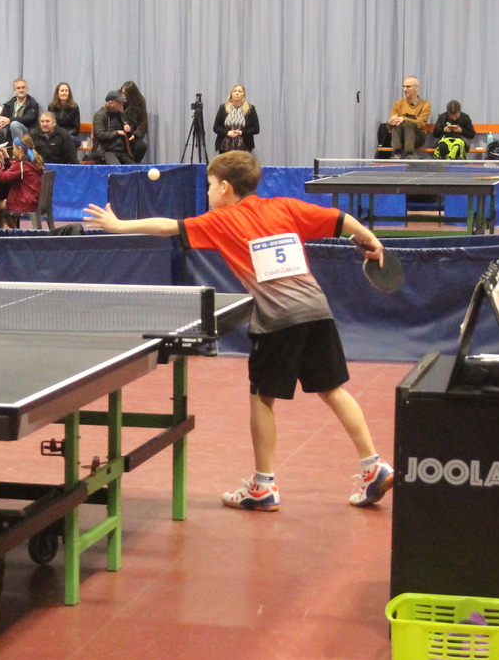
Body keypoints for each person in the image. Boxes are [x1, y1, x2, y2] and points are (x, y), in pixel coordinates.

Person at [84, 151, 396, 511]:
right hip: (317, 310)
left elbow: (168, 227)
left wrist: (118, 225)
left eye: (210, 185)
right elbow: (342, 220)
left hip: (277, 319)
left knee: (262, 397)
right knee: (333, 389)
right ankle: (373, 466)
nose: (207, 193)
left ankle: (263, 486)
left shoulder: (221, 220)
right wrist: (371, 241)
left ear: (225, 187)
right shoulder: (285, 207)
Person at [0, 135, 44, 223]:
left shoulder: (21, 164)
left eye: (14, 148)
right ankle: (11, 229)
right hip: (31, 200)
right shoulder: (30, 162)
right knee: (3, 204)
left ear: (19, 149)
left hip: (23, 202)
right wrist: (7, 159)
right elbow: (14, 171)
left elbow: (1, 177)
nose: (12, 151)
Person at [379, 77, 431, 158]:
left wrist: (404, 119)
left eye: (408, 87)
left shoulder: (425, 105)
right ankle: (397, 153)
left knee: (407, 123)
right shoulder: (397, 103)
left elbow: (420, 123)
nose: (405, 89)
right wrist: (389, 122)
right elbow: (391, 125)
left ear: (416, 88)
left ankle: (409, 154)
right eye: (404, 86)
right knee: (397, 124)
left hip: (417, 137)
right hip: (400, 136)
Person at [94, 90, 143, 166]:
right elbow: (101, 135)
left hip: (121, 151)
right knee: (117, 168)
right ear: (111, 103)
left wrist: (129, 129)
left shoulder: (121, 115)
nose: (122, 104)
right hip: (106, 151)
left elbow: (129, 133)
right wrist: (117, 132)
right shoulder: (100, 115)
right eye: (119, 102)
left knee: (133, 169)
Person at [212, 84, 260, 154]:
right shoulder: (223, 108)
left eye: (240, 91)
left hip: (244, 148)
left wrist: (241, 132)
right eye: (234, 91)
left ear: (243, 95)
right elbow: (216, 127)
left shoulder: (250, 109)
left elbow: (256, 129)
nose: (237, 93)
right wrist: (227, 132)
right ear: (231, 94)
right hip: (224, 147)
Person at [48, 83, 83, 156]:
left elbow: (76, 128)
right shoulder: (51, 106)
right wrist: (59, 135)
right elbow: (50, 124)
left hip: (71, 135)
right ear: (57, 93)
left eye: (66, 91)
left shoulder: (74, 107)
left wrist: (64, 135)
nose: (64, 93)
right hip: (56, 135)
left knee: (69, 141)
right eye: (62, 90)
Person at [120, 81, 150, 163]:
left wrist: (135, 135)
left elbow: (143, 124)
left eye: (126, 94)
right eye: (123, 93)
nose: (124, 96)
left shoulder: (140, 102)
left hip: (132, 134)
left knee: (141, 146)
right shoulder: (117, 99)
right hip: (118, 132)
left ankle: (132, 164)